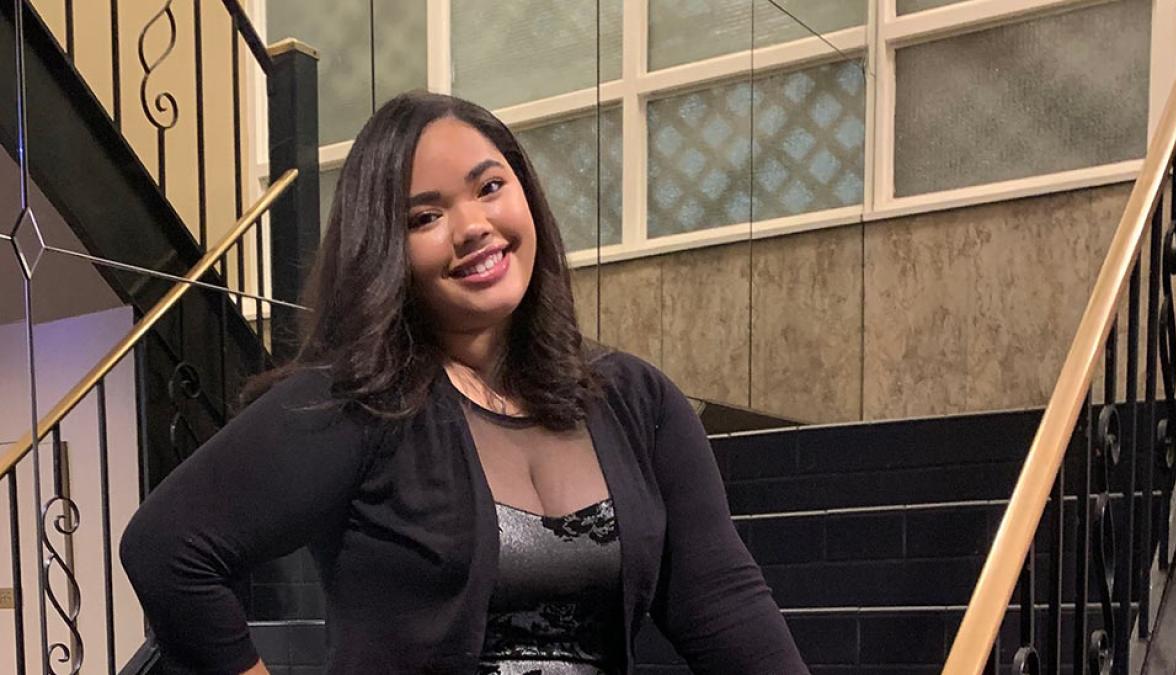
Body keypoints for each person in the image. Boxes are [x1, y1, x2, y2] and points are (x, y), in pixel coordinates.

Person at [120, 92, 808, 675]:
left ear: (525, 192)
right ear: (386, 250)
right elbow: (169, 549)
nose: (473, 226)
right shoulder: (356, 404)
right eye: (425, 216)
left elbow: (723, 601)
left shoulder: (635, 398)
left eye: (490, 186)